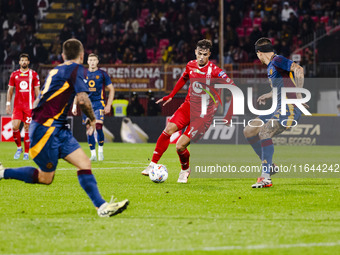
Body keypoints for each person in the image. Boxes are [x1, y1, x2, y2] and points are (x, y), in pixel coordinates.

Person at [0, 39, 129, 217]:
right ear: (82, 56)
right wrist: (92, 119)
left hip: (57, 128)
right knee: (46, 177)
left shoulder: (57, 70)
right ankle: (3, 172)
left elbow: (43, 98)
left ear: (62, 55)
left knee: (84, 163)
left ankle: (102, 207)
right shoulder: (76, 70)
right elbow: (83, 99)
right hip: (45, 128)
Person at [141, 39, 234, 183]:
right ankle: (152, 164)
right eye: (199, 53)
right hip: (188, 106)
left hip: (203, 115)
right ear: (195, 52)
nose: (201, 57)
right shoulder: (190, 65)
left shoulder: (216, 71)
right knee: (168, 130)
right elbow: (184, 77)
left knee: (180, 146)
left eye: (205, 54)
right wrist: (171, 95)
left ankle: (185, 170)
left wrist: (229, 115)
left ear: (209, 54)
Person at [243, 37, 305, 188]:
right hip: (278, 109)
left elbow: (299, 69)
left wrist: (298, 94)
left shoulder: (277, 60)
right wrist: (269, 95)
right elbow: (282, 85)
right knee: (249, 130)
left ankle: (266, 178)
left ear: (259, 53)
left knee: (264, 132)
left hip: (289, 108)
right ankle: (270, 166)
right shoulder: (271, 66)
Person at [72, 53, 115, 161]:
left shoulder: (102, 74)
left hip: (99, 103)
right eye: (90, 60)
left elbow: (111, 89)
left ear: (97, 62)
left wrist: (109, 105)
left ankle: (100, 151)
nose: (92, 62)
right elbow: (78, 91)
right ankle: (93, 155)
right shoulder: (82, 73)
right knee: (89, 128)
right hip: (86, 105)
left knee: (98, 126)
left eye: (94, 60)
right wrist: (74, 105)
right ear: (87, 62)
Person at [6, 53, 40, 160]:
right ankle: (19, 148)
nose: (24, 62)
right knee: (15, 127)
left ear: (28, 62)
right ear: (19, 62)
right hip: (18, 106)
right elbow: (10, 90)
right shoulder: (14, 74)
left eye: (26, 60)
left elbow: (37, 90)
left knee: (27, 128)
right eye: (22, 60)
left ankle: (26, 153)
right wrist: (8, 103)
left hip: (29, 106)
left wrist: (38, 104)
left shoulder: (34, 74)